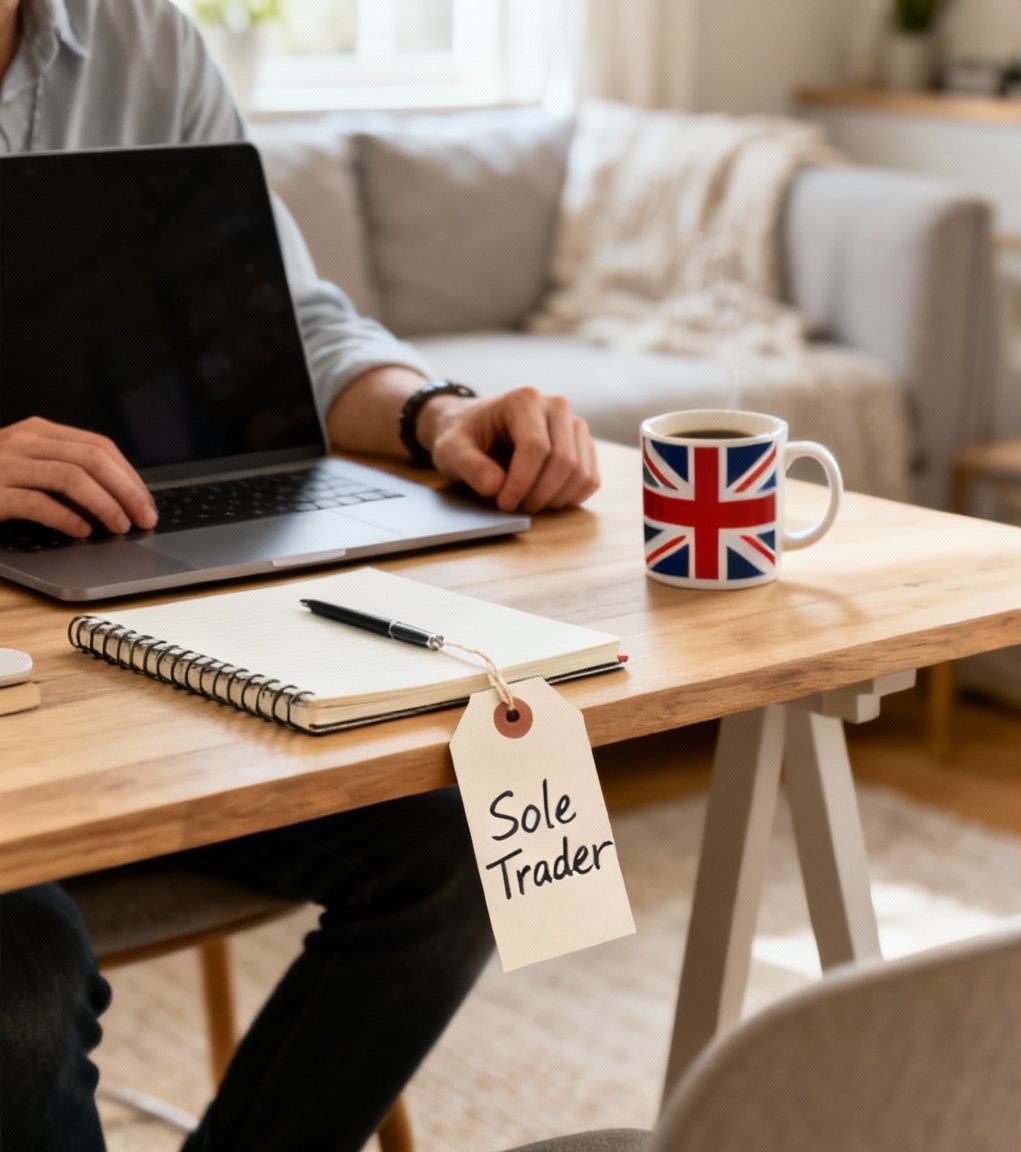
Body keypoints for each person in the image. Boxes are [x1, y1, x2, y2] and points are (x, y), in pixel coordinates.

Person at [0, 1, 602, 1148]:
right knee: (22, 982)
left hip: (151, 619)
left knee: (475, 827)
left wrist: (437, 415)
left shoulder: (142, 41)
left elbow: (292, 328)